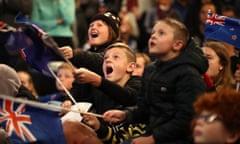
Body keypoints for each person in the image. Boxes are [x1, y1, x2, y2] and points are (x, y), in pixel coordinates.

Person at [102, 18, 208, 144]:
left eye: (161, 33)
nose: (153, 37)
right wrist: (125, 115)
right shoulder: (151, 70)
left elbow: (187, 120)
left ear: (177, 45)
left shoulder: (189, 75)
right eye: (152, 33)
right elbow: (144, 109)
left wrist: (153, 139)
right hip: (152, 134)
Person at [73, 42, 145, 144]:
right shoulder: (98, 91)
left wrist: (97, 80)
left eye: (116, 57)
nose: (108, 60)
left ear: (131, 67)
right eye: (105, 58)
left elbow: (127, 96)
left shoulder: (139, 83)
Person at [60, 11, 121, 76]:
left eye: (99, 25)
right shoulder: (89, 51)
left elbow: (101, 61)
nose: (93, 27)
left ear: (111, 31)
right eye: (91, 25)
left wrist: (74, 54)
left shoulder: (119, 50)